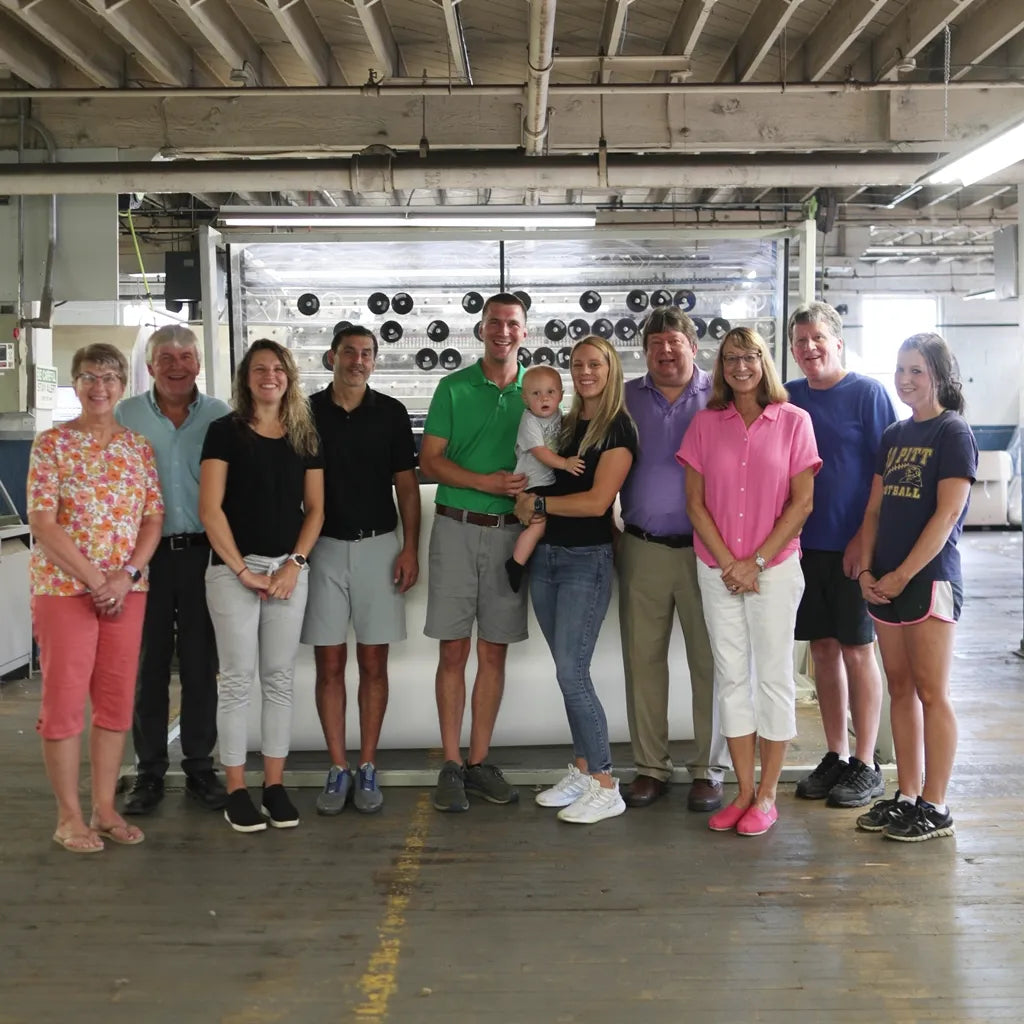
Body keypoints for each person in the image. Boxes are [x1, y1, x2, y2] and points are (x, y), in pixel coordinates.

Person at [678, 327, 821, 837]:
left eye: (751, 356)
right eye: (732, 358)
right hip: (717, 568)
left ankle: (767, 795)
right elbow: (694, 503)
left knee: (774, 676)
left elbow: (801, 503)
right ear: (720, 367)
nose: (741, 365)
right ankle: (741, 791)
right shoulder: (704, 423)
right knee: (732, 676)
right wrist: (729, 563)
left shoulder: (794, 422)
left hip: (775, 569)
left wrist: (754, 562)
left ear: (765, 361)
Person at [28, 343, 163, 853]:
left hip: (127, 591)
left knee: (113, 703)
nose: (99, 386)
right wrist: (95, 579)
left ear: (124, 384)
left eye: (109, 376)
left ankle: (104, 809)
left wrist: (126, 575)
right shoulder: (52, 445)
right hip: (65, 591)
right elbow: (42, 520)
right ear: (75, 384)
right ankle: (68, 818)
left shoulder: (137, 447)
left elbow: (153, 517)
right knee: (64, 704)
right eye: (88, 377)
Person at [199, 339, 324, 833]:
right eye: (259, 369)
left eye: (277, 368)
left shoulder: (304, 434)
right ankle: (236, 789)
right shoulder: (224, 432)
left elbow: (315, 509)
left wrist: (294, 563)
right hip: (234, 571)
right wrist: (242, 570)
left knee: (278, 679)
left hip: (287, 571)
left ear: (289, 377)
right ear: (245, 377)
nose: (269, 376)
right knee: (235, 680)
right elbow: (211, 509)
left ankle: (274, 785)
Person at [856, 333, 977, 842]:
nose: (905, 380)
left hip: (928, 582)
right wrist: (865, 570)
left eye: (917, 372)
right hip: (883, 583)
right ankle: (907, 795)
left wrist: (902, 574)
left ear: (940, 377)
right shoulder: (894, 435)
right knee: (900, 690)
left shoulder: (953, 433)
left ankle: (937, 805)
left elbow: (948, 514)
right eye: (900, 370)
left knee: (932, 692)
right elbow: (875, 510)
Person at [515, 336, 637, 825]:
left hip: (586, 559)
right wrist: (524, 498)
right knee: (567, 674)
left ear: (610, 371)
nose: (585, 372)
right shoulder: (563, 427)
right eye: (578, 364)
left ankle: (607, 783)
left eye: (595, 364)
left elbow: (595, 503)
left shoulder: (618, 429)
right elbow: (536, 480)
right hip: (546, 557)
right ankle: (585, 770)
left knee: (573, 672)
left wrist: (538, 505)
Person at [300, 324, 420, 816]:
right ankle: (337, 766)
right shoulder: (304, 411)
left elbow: (407, 488)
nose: (358, 360)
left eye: (367, 353)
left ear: (375, 360)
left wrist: (410, 547)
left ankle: (367, 764)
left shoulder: (390, 413)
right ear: (332, 357)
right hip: (322, 549)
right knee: (328, 665)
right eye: (349, 352)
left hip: (379, 548)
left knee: (374, 664)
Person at [419, 292, 529, 813]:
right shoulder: (453, 387)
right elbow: (431, 462)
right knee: (453, 651)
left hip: (511, 534)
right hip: (456, 529)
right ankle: (449, 763)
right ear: (480, 330)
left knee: (493, 652)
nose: (502, 331)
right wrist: (486, 482)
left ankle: (480, 761)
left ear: (524, 332)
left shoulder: (540, 390)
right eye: (494, 323)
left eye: (512, 323)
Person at [618, 306, 730, 813]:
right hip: (642, 548)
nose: (666, 352)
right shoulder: (624, 399)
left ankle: (709, 770)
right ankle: (650, 768)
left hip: (708, 553)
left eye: (675, 342)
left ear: (694, 346)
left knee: (711, 662)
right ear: (645, 351)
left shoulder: (723, 396)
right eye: (656, 344)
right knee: (643, 662)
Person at [115, 325, 231, 815]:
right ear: (151, 365)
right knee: (150, 664)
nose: (177, 365)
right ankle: (149, 772)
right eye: (166, 357)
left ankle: (201, 767)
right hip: (147, 558)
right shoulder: (127, 414)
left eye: (186, 356)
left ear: (199, 364)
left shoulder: (221, 416)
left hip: (205, 554)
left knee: (203, 663)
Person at [785, 302, 897, 807]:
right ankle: (835, 754)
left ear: (838, 342)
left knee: (857, 650)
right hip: (803, 546)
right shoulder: (789, 397)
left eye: (817, 338)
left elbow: (884, 474)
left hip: (853, 547)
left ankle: (867, 761)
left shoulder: (868, 394)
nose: (809, 348)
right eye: (800, 341)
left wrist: (863, 541)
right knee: (823, 651)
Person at [505, 363, 583, 592]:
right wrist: (565, 464)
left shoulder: (560, 416)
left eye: (550, 392)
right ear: (525, 399)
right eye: (536, 394)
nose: (544, 398)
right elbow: (540, 452)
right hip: (532, 483)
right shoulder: (529, 420)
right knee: (538, 526)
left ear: (561, 394)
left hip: (548, 481)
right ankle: (516, 563)